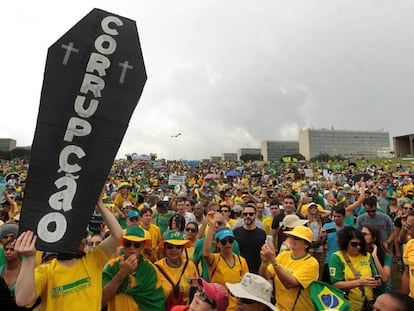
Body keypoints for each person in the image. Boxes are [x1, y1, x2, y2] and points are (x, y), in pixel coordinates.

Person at [14, 191, 123, 311]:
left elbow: (117, 235)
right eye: (71, 237)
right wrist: (29, 258)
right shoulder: (46, 271)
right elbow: (22, 299)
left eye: (81, 236)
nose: (79, 241)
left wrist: (99, 204)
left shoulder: (93, 260)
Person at [102, 226, 165, 310]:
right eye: (128, 244)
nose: (132, 248)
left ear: (143, 246)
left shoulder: (151, 270)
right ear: (123, 245)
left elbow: (157, 303)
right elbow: (102, 299)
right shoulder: (111, 266)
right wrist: (121, 273)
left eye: (137, 245)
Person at [259, 225, 319, 311]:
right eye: (291, 237)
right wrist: (264, 262)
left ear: (306, 244)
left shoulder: (311, 263)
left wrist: (273, 260)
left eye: (297, 238)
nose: (292, 239)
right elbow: (265, 276)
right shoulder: (283, 255)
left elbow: (290, 284)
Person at [329, 226, 381, 311]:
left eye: (360, 244)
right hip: (349, 305)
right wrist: (359, 282)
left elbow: (375, 276)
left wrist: (376, 282)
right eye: (354, 244)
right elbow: (336, 284)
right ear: (345, 243)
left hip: (368, 304)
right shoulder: (337, 257)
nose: (358, 247)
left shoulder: (367, 256)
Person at [203, 223, 249, 311]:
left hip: (237, 308)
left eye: (231, 240)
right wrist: (211, 227)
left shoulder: (241, 261)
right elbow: (205, 254)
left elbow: (246, 286)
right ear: (218, 243)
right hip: (219, 307)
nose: (228, 244)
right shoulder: (215, 259)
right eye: (224, 241)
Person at [154, 230, 198, 308]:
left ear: (182, 249)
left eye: (178, 247)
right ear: (165, 249)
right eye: (170, 247)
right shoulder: (156, 268)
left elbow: (197, 292)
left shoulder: (190, 266)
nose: (174, 250)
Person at [192, 212, 240, 282]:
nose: (216, 225)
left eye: (219, 223)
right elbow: (194, 264)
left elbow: (239, 264)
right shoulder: (201, 243)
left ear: (224, 224)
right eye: (213, 223)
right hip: (208, 286)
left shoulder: (233, 243)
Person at [233, 203, 266, 274]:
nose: (248, 216)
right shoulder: (236, 232)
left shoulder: (262, 233)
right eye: (245, 214)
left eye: (251, 214)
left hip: (257, 272)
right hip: (240, 271)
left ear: (255, 215)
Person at [361, 225, 392, 296]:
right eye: (360, 233)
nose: (361, 236)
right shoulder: (357, 253)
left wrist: (375, 256)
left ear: (374, 238)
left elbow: (384, 278)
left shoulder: (385, 255)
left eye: (364, 234)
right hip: (361, 294)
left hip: (379, 294)